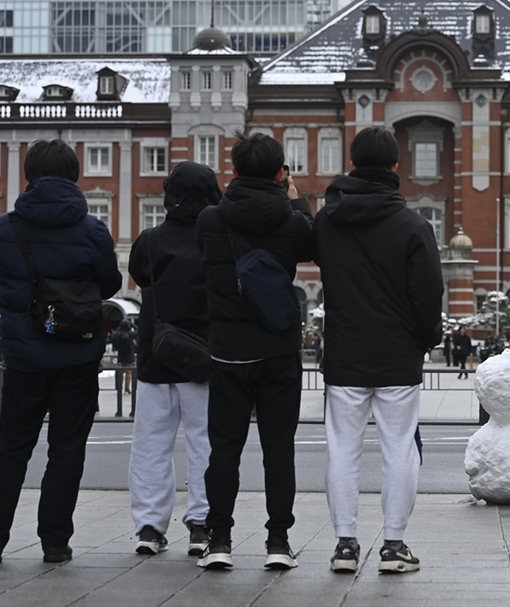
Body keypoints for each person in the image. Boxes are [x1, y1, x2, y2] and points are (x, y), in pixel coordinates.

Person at [314, 126, 443, 574]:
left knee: (342, 449)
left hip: (345, 351)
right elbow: (428, 293)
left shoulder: (327, 220)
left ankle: (344, 545)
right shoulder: (412, 224)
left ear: (352, 161)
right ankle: (393, 545)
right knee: (399, 450)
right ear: (394, 167)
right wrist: (426, 339)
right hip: (397, 355)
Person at [0, 139, 123, 565]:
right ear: (74, 175)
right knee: (66, 448)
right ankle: (54, 541)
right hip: (76, 357)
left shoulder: (2, 228)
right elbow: (110, 284)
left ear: (29, 175)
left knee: (11, 447)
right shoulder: (92, 229)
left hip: (24, 357)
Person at [195, 132, 313, 571]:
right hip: (278, 350)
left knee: (223, 449)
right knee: (278, 448)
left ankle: (220, 539)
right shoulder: (293, 221)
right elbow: (312, 244)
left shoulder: (211, 219)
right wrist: (297, 202)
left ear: (235, 171)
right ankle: (278, 541)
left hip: (228, 351)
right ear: (282, 173)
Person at [127, 162, 221, 558]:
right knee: (204, 444)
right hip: (201, 356)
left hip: (156, 353)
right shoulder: (216, 240)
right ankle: (201, 524)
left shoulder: (149, 240)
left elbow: (137, 276)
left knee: (151, 443)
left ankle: (150, 526)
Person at [110, 319, 137, 394]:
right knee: (128, 373)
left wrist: (120, 327)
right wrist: (132, 325)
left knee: (120, 372)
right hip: (130, 356)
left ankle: (119, 387)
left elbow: (113, 335)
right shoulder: (132, 334)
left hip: (121, 356)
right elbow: (138, 330)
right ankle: (127, 389)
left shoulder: (117, 334)